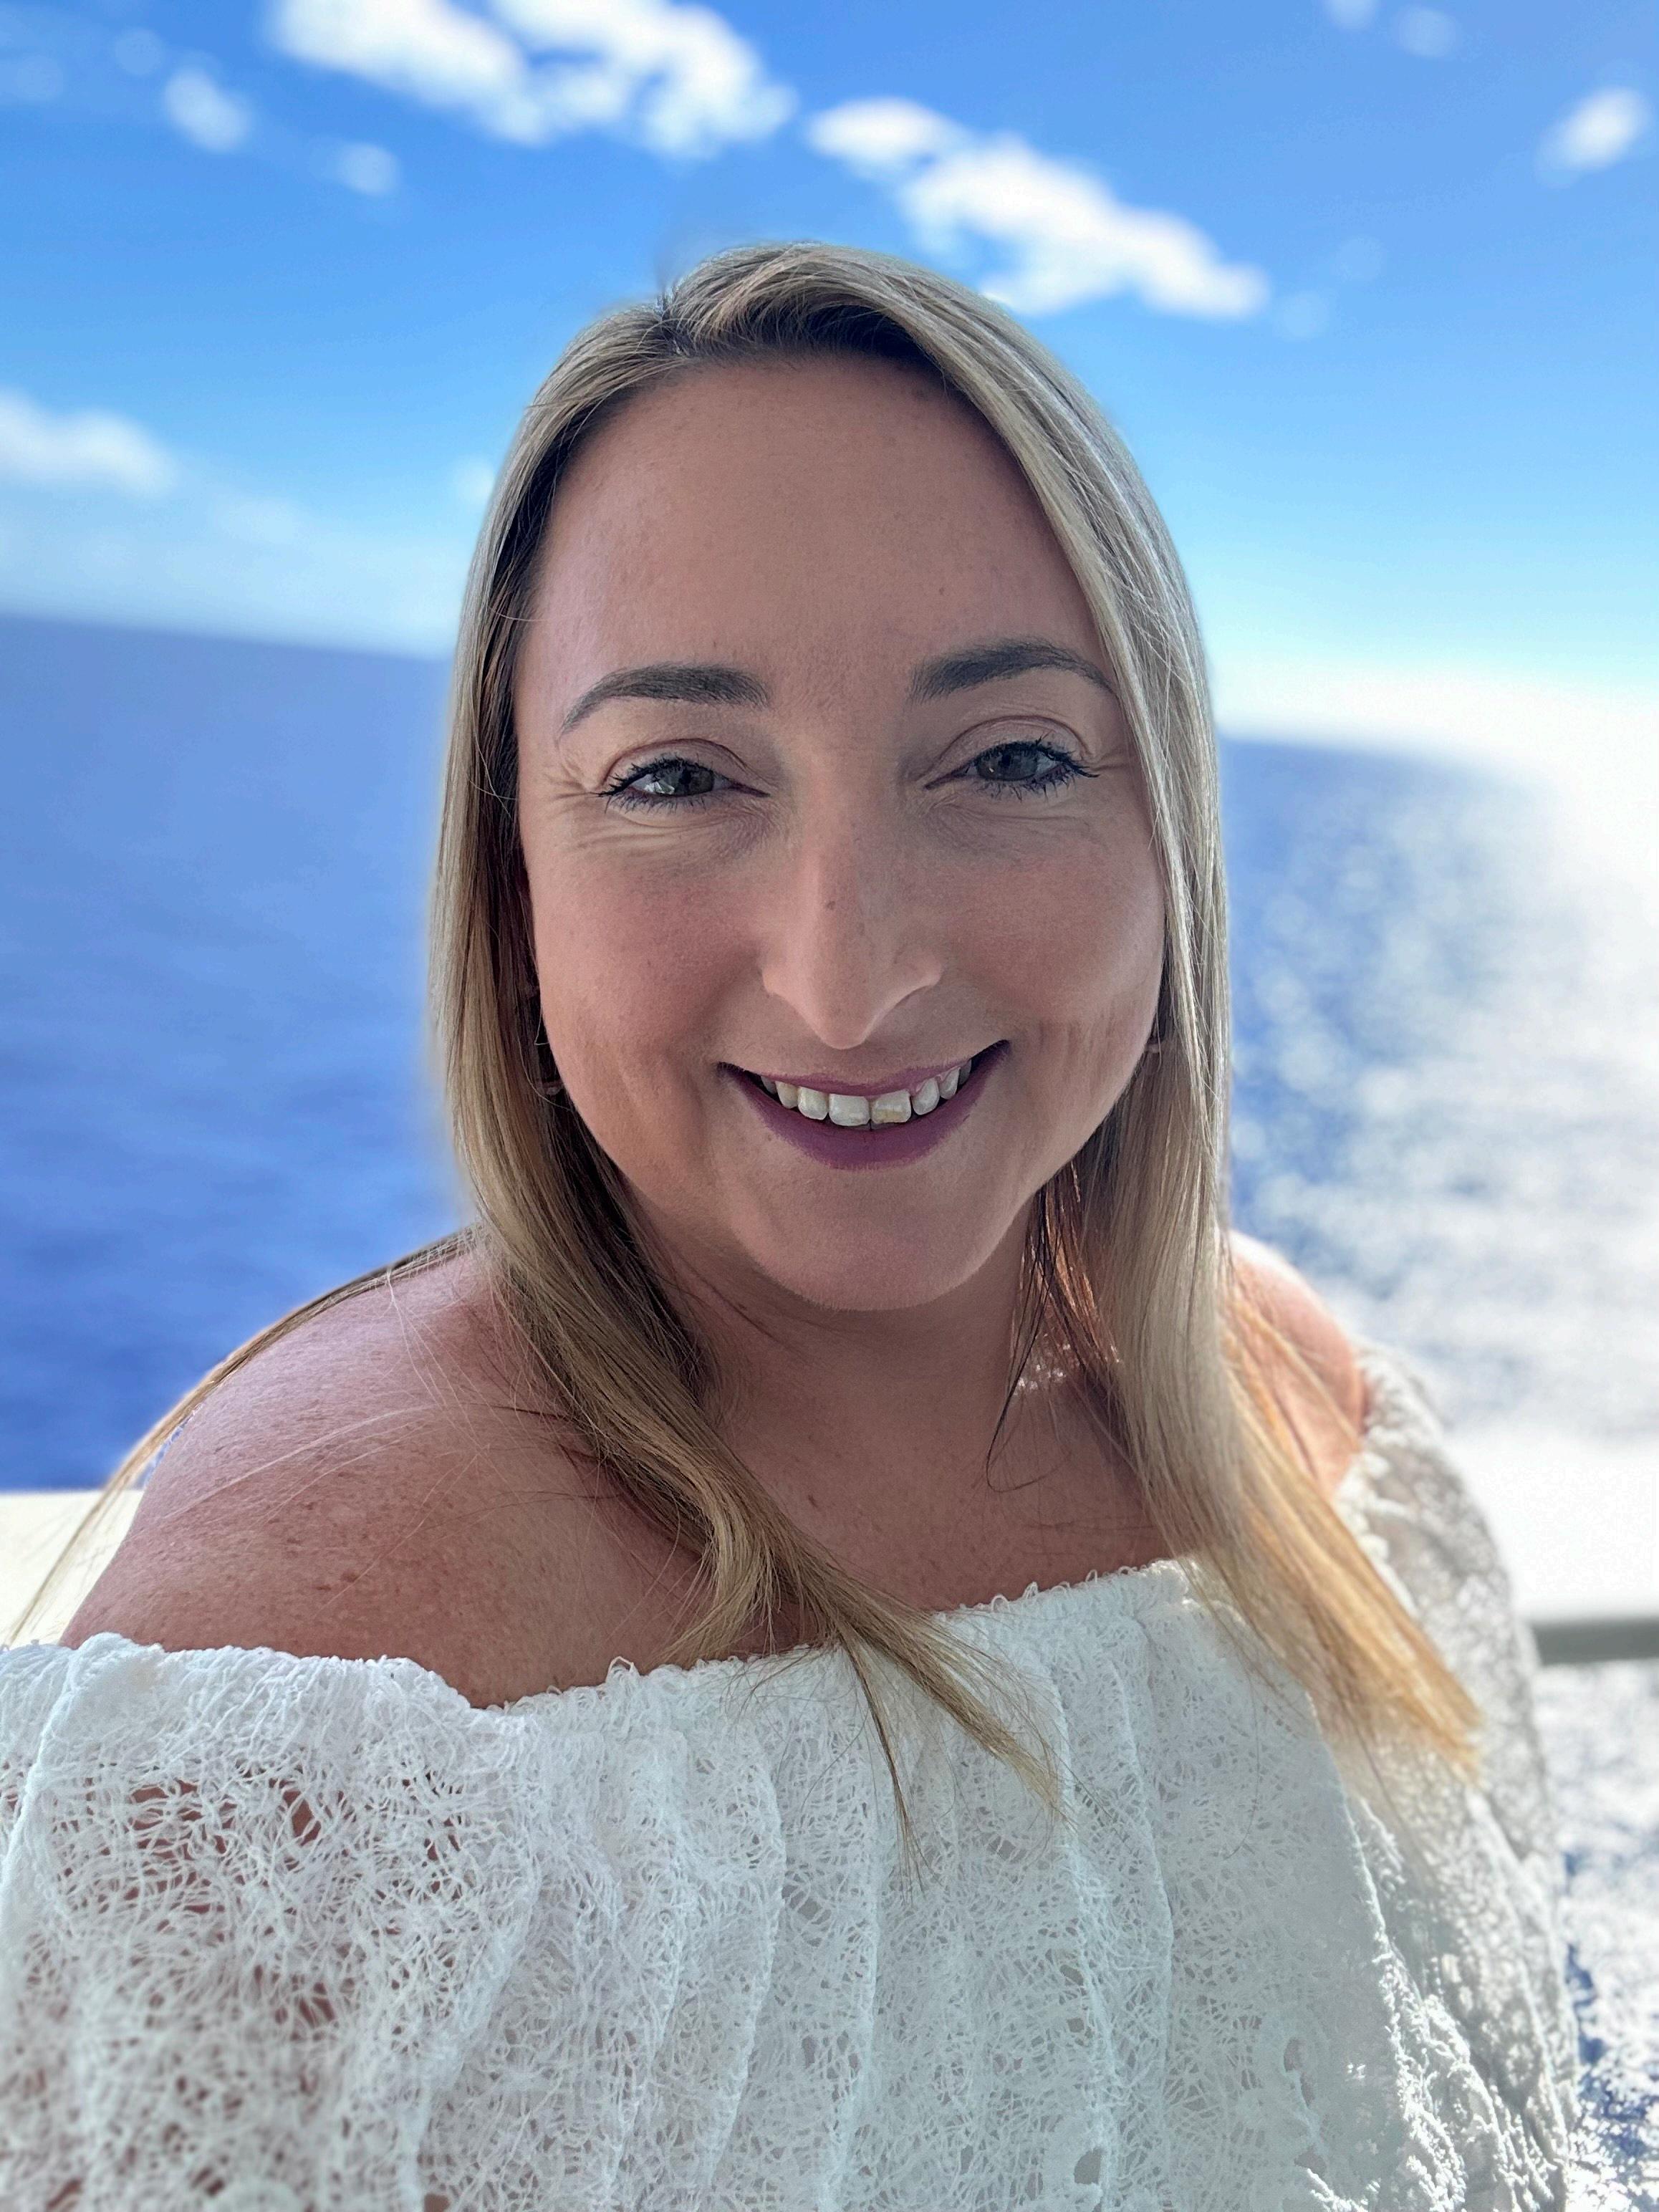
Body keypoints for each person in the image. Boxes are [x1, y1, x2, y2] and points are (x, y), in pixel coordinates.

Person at [0, 242, 1578, 2209]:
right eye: (676, 776)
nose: (850, 979)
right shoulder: (308, 1682)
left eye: (1011, 758)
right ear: (514, 870)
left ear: (1162, 831)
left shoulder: (1308, 1423)